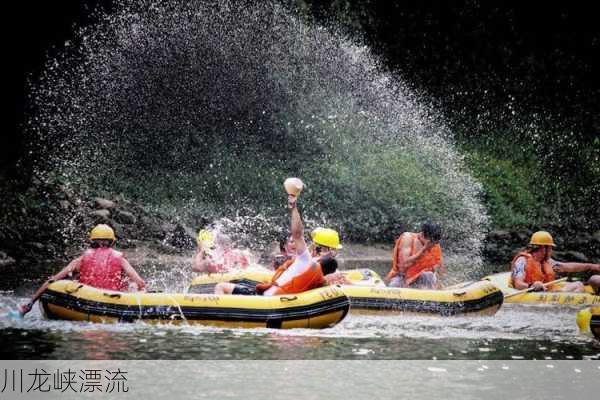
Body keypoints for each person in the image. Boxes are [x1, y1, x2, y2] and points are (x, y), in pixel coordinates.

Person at [215, 193, 344, 295]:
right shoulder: (320, 280)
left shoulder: (307, 261)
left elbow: (297, 234)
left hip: (268, 297)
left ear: (319, 257)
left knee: (220, 286)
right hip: (277, 298)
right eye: (332, 251)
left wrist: (293, 207)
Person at [19, 224, 145, 316]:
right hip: (111, 304)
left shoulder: (80, 260)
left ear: (91, 241)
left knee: (74, 281)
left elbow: (52, 281)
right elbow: (140, 283)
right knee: (132, 285)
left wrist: (30, 303)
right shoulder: (121, 260)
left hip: (84, 302)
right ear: (112, 242)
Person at [510, 231, 600, 292]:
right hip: (531, 291)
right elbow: (518, 284)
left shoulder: (547, 262)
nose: (551, 250)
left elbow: (568, 267)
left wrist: (592, 266)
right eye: (550, 247)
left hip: (547, 291)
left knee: (578, 284)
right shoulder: (522, 261)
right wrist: (531, 286)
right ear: (543, 248)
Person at [385, 222, 445, 289]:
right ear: (422, 235)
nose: (433, 245)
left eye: (436, 242)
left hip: (420, 279)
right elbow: (404, 264)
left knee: (429, 276)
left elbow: (439, 266)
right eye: (431, 242)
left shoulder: (435, 244)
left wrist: (439, 283)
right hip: (401, 278)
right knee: (394, 285)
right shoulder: (408, 238)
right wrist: (424, 249)